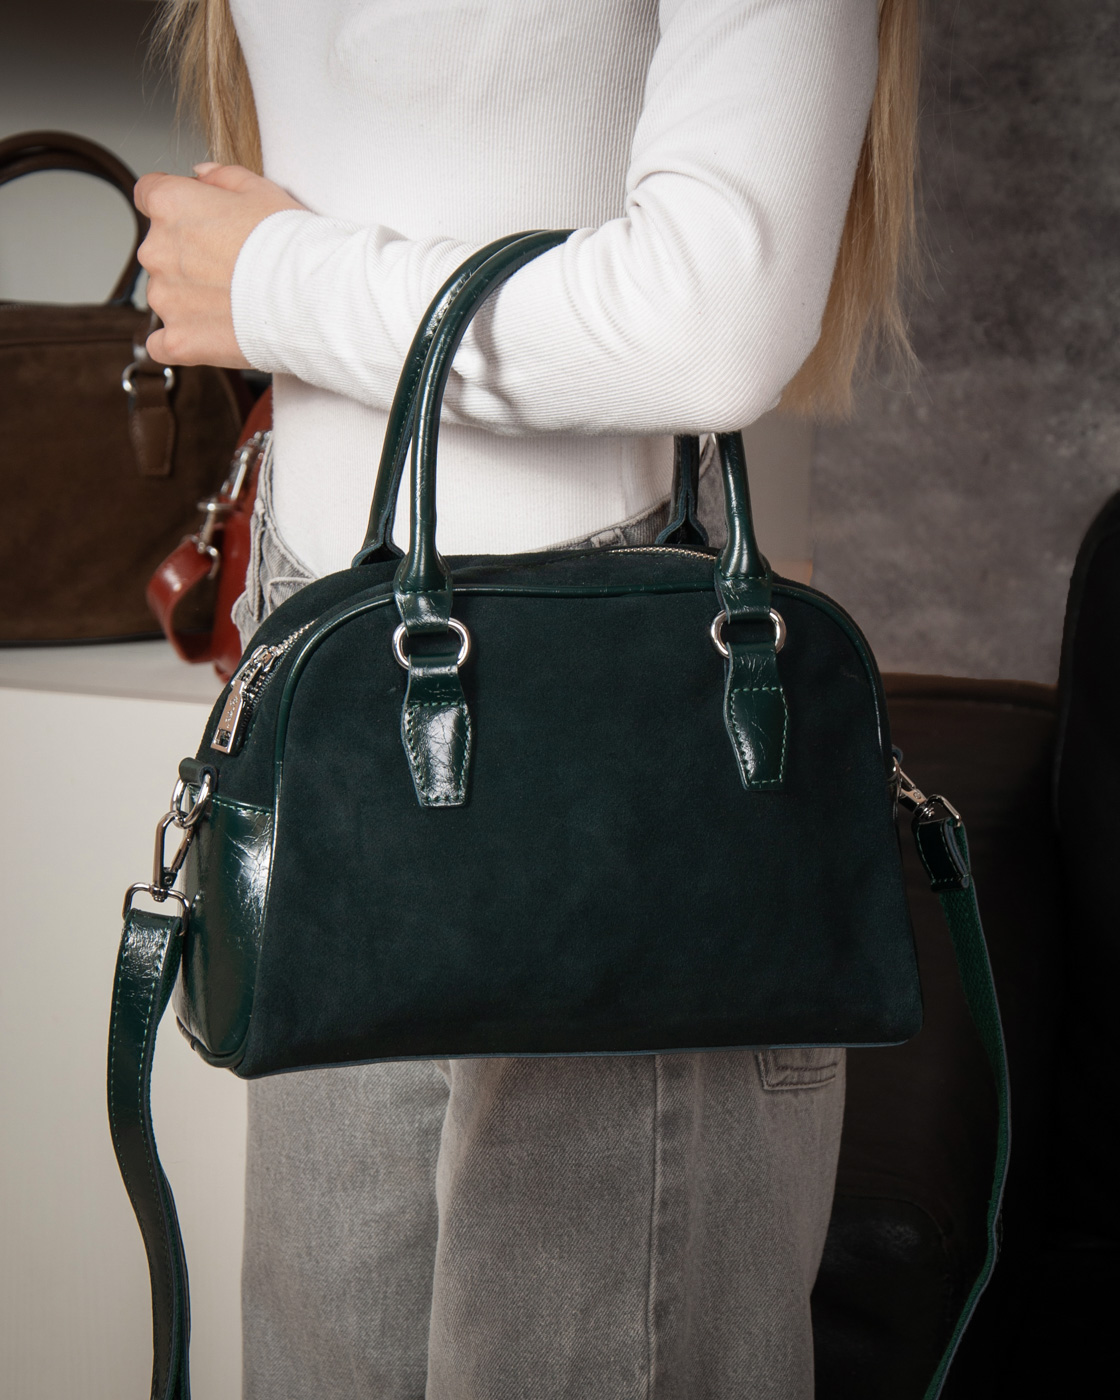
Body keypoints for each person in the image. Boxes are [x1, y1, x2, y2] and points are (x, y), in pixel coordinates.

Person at [137, 2, 919, 1396]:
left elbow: (716, 323)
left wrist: (275, 280)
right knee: (326, 1355)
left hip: (615, 698)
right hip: (332, 631)